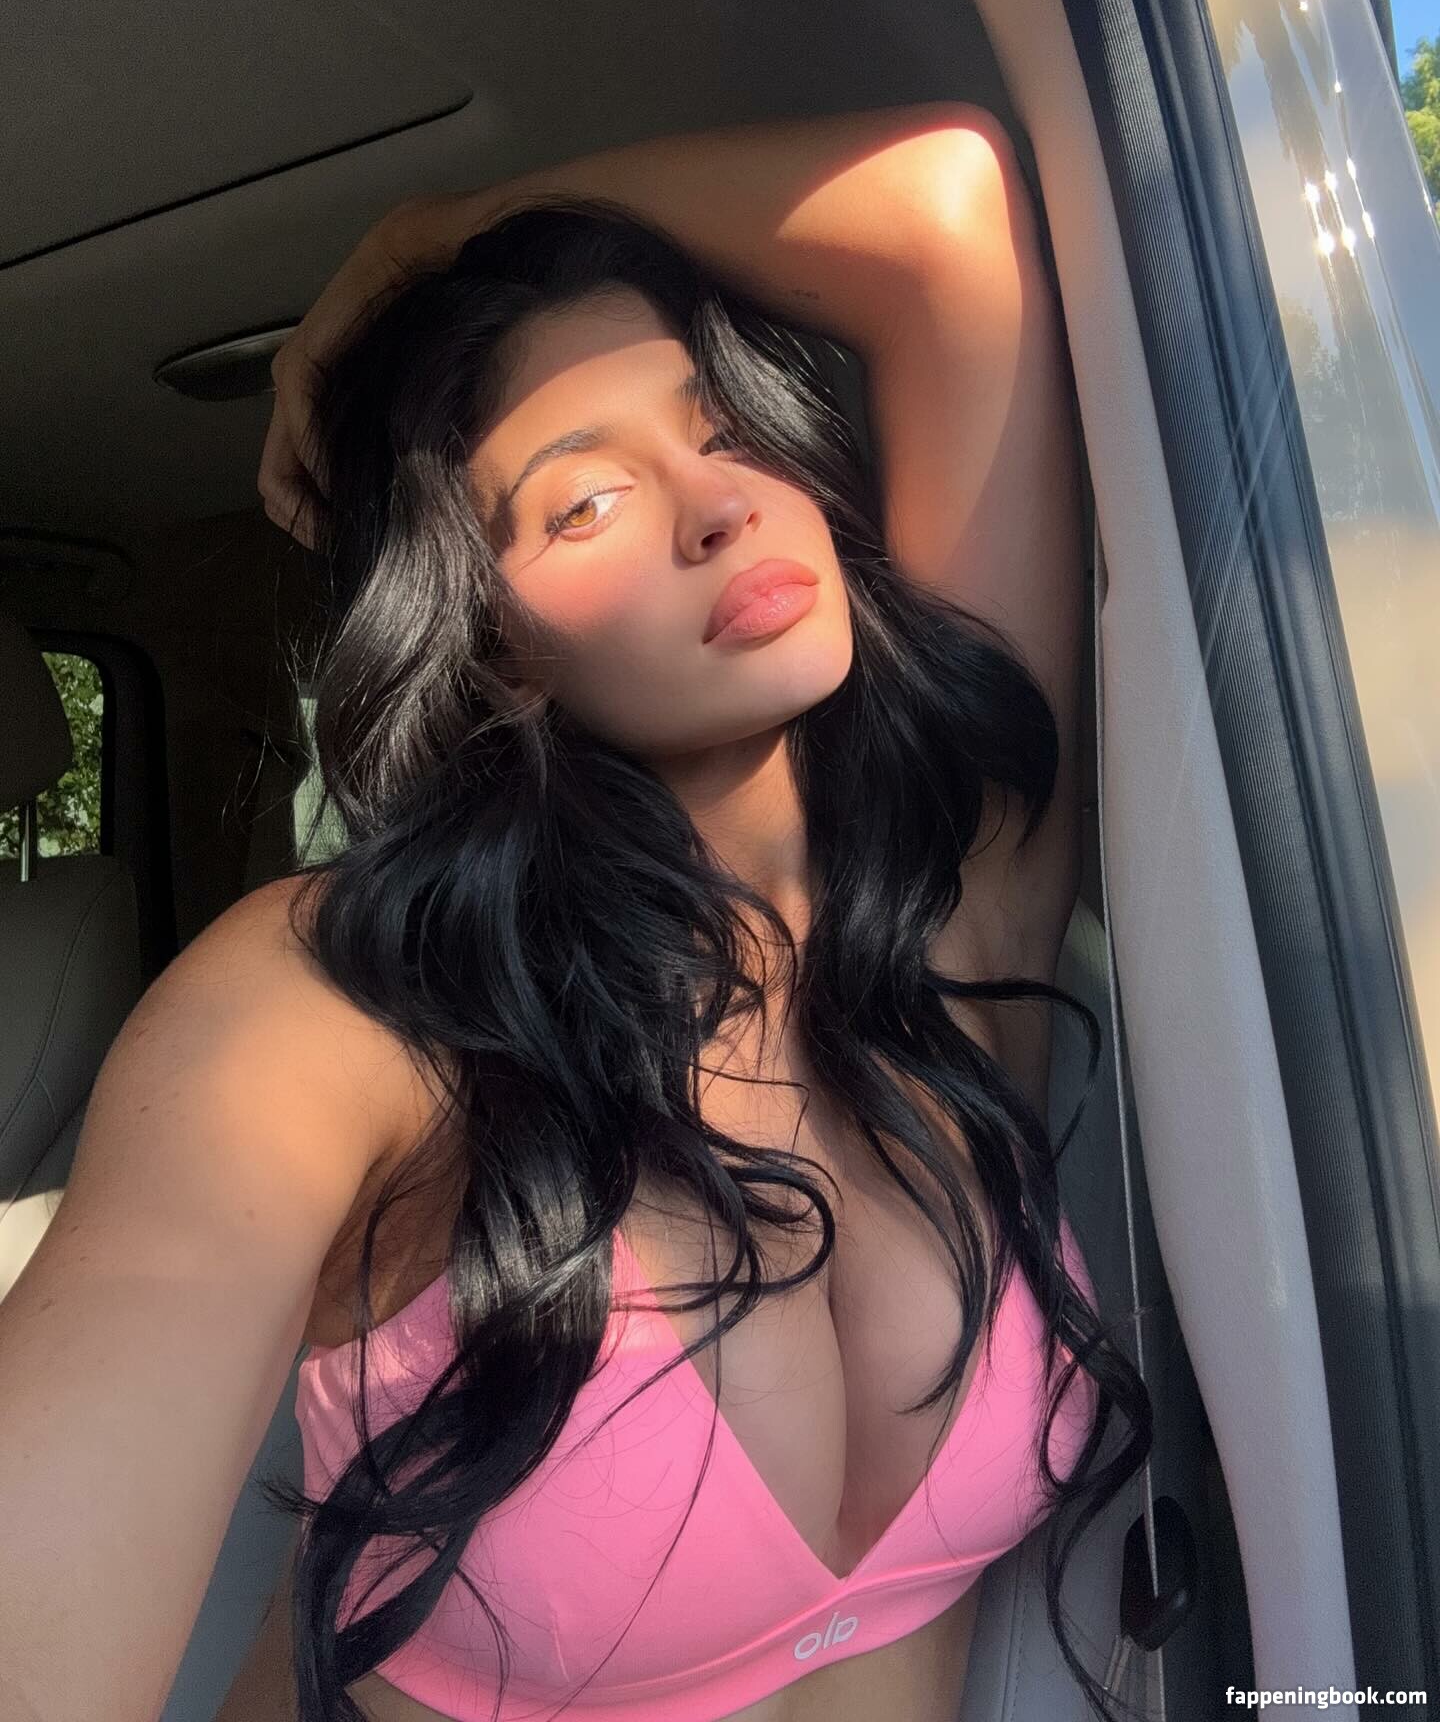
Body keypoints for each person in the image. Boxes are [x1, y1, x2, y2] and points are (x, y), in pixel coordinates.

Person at [0, 104, 1149, 1722]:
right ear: (501, 651)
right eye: (584, 503)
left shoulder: (955, 907)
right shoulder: (349, 1008)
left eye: (723, 426)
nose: (719, 506)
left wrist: (435, 230)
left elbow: (944, 213)